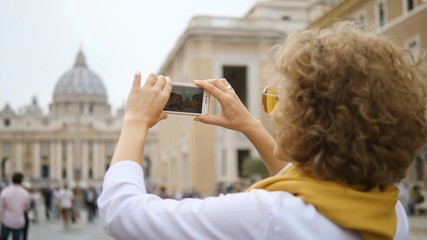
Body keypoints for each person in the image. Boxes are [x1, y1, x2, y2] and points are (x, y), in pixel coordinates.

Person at [97, 21, 427, 240]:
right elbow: (310, 185)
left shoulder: (269, 214)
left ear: (312, 124)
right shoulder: (392, 211)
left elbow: (120, 211)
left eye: (279, 99)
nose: (272, 111)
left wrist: (134, 122)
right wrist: (249, 125)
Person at [0, 172, 31, 240]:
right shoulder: (25, 193)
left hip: (6, 220)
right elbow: (27, 208)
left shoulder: (5, 192)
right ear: (21, 181)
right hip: (19, 221)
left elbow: (1, 208)